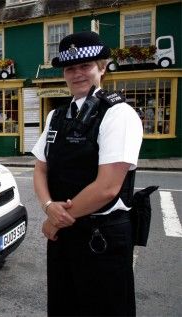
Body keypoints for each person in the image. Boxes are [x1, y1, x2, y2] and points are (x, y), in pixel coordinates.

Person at [32, 31, 143, 316]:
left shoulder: (118, 114)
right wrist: (48, 207)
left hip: (100, 236)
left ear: (102, 67)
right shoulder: (55, 116)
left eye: (85, 66)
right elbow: (41, 168)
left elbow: (107, 187)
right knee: (63, 305)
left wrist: (56, 221)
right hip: (63, 234)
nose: (77, 74)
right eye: (70, 68)